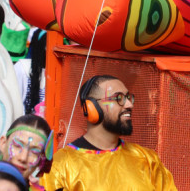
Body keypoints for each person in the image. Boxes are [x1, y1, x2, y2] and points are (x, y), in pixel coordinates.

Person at [44, 75, 177, 191]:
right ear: (91, 108)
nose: (129, 104)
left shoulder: (148, 159)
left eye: (128, 97)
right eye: (119, 98)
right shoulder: (60, 164)